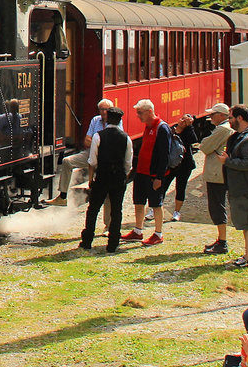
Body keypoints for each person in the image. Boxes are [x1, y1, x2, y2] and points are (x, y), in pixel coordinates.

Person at [78, 107, 133, 252]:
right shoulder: (126, 138)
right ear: (120, 120)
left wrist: (91, 179)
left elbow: (92, 161)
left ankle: (87, 240)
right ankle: (113, 243)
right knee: (116, 211)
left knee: (93, 209)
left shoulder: (98, 136)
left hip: (102, 176)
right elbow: (128, 162)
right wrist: (123, 176)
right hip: (118, 177)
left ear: (107, 119)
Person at [120, 99, 171, 246]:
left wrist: (159, 177)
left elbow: (164, 155)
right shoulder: (148, 127)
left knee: (156, 203)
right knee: (139, 202)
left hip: (153, 174)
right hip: (141, 172)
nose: (138, 116)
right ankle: (138, 230)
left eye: (140, 113)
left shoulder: (162, 128)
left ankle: (158, 233)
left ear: (149, 112)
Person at [52, 98, 112, 205]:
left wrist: (96, 141)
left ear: (111, 110)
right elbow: (87, 141)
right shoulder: (95, 120)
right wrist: (99, 142)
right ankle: (62, 196)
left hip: (106, 156)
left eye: (106, 109)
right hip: (90, 153)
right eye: (101, 109)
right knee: (67, 161)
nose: (103, 112)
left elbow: (113, 143)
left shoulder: (116, 122)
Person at [0, 98, 44, 209]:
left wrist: (19, 139)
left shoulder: (20, 117)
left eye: (15, 108)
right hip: (6, 150)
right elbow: (0, 137)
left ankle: (35, 197)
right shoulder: (2, 119)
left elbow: (26, 134)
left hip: (18, 149)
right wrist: (15, 139)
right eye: (12, 108)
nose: (14, 110)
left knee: (35, 161)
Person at [201, 103, 235, 254]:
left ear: (222, 115)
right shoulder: (226, 128)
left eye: (213, 115)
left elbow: (205, 146)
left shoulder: (222, 129)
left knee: (217, 206)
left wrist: (207, 143)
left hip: (217, 173)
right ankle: (221, 240)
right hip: (220, 172)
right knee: (217, 206)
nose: (210, 117)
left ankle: (222, 242)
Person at [222, 107, 248, 268]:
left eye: (230, 117)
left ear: (240, 118)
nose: (229, 120)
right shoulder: (241, 137)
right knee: (246, 223)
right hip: (242, 187)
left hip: (246, 188)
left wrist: (227, 162)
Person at [166, 113, 200, 221]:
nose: (182, 122)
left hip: (184, 165)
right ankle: (155, 208)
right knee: (163, 186)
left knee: (180, 188)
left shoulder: (189, 132)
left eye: (186, 121)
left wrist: (189, 127)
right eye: (182, 119)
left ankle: (177, 212)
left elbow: (194, 141)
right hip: (171, 164)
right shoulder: (172, 129)